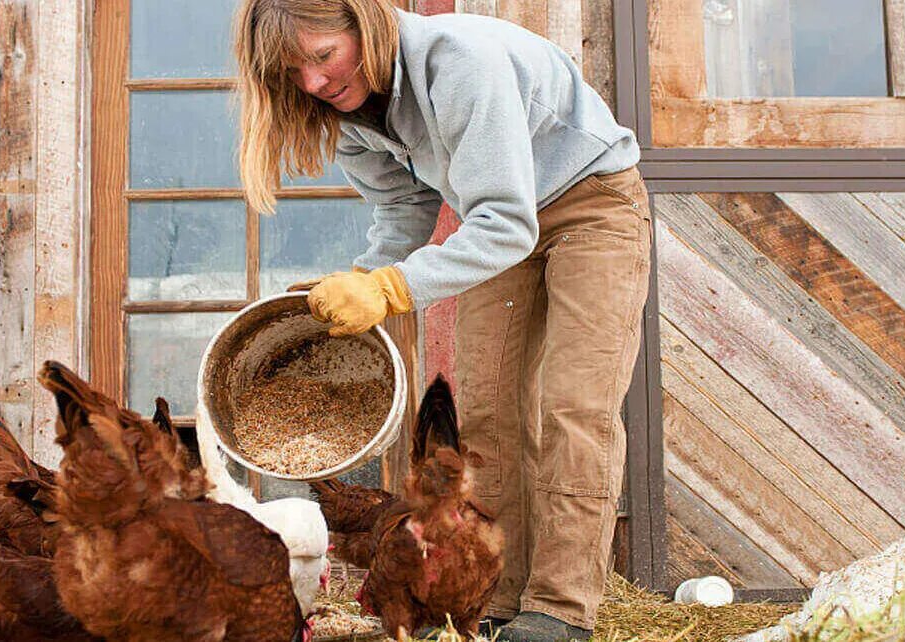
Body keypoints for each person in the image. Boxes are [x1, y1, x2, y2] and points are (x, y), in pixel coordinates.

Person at [234, 0, 650, 639]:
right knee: (484, 413)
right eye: (295, 72)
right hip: (498, 224)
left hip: (589, 206)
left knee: (574, 406)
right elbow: (405, 207)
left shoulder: (460, 64)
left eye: (322, 56)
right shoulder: (349, 112)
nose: (314, 82)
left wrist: (391, 288)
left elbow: (505, 222)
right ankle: (500, 600)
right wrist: (364, 279)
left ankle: (560, 612)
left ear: (364, 25)